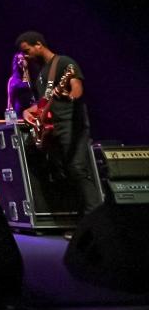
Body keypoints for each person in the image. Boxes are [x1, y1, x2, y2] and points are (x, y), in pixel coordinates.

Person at [16, 31, 102, 218]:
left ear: (39, 44)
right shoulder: (41, 75)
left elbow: (76, 86)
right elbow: (42, 102)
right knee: (63, 173)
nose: (26, 56)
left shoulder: (63, 63)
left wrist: (69, 96)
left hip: (71, 124)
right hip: (51, 129)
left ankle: (96, 220)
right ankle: (78, 220)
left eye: (27, 50)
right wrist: (27, 111)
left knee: (77, 169)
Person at [6, 51, 35, 119]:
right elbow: (10, 99)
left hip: (30, 108)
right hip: (18, 109)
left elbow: (30, 86)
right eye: (18, 60)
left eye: (22, 59)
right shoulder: (12, 79)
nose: (20, 61)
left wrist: (26, 69)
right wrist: (10, 118)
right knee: (17, 128)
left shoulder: (31, 76)